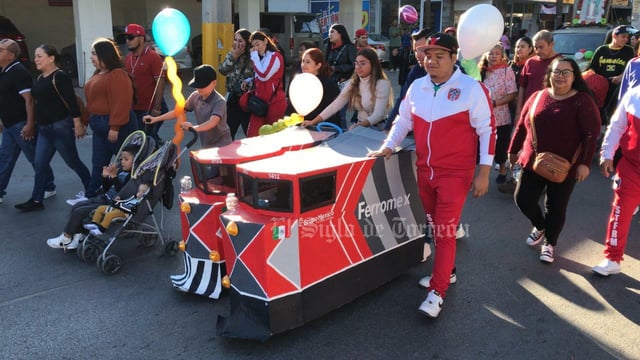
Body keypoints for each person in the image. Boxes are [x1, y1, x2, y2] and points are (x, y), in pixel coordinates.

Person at [369, 33, 495, 318]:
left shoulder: (471, 88)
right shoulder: (417, 87)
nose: (431, 61)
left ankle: (437, 291)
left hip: (456, 173)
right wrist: (388, 146)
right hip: (424, 170)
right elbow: (403, 120)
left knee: (444, 231)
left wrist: (484, 171)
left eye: (439, 56)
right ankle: (447, 272)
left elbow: (487, 129)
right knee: (433, 225)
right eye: (427, 55)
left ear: (454, 58)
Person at [508, 57, 600, 264]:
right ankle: (540, 226)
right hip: (533, 161)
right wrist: (513, 150)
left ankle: (550, 242)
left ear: (574, 76)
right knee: (523, 199)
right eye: (556, 72)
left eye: (566, 72)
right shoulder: (537, 97)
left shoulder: (582, 101)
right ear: (549, 75)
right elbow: (522, 125)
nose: (560, 76)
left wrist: (585, 163)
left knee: (556, 206)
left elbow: (590, 135)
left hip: (566, 166)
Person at [15, 45, 91, 212]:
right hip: (44, 129)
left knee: (72, 161)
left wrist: (78, 124)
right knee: (39, 163)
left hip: (60, 128)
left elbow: (71, 102)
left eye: (39, 56)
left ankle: (91, 190)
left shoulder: (60, 77)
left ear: (51, 58)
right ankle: (36, 200)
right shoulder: (41, 77)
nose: (36, 59)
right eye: (35, 56)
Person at [47, 144, 139, 250]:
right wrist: (105, 177)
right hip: (104, 197)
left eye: (126, 159)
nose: (122, 161)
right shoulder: (121, 171)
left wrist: (114, 177)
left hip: (112, 204)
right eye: (121, 158)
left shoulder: (132, 177)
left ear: (136, 161)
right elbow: (107, 188)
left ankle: (66, 237)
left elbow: (122, 192)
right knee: (77, 206)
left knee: (79, 212)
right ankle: (78, 236)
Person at [0, 38, 56, 206]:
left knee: (35, 157)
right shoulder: (4, 71)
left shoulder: (19, 72)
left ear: (10, 55)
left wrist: (30, 125)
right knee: (5, 158)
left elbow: (29, 100)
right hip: (10, 125)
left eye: (1, 50)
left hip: (22, 124)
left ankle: (48, 186)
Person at [592, 85, 640, 276]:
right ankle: (612, 258)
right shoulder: (635, 94)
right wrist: (607, 154)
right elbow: (617, 125)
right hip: (632, 167)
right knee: (620, 210)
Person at [84, 37, 138, 198]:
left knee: (126, 163)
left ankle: (132, 194)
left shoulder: (117, 74)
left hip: (115, 126)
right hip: (99, 125)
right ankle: (92, 195)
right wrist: (85, 120)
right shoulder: (98, 73)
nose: (91, 57)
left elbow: (122, 101)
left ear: (104, 55)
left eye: (94, 54)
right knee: (98, 163)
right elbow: (92, 101)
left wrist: (115, 127)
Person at [145, 65, 232, 149]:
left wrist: (193, 128)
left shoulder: (219, 101)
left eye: (203, 86)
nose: (199, 89)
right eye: (197, 86)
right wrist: (155, 119)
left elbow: (212, 122)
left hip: (222, 144)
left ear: (214, 83)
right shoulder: (195, 96)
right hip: (206, 143)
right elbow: (178, 111)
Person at [303, 48, 391, 130]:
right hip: (359, 128)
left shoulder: (382, 84)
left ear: (373, 65)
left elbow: (378, 114)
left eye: (363, 63)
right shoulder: (353, 83)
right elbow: (336, 104)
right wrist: (313, 122)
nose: (358, 67)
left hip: (378, 129)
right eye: (356, 63)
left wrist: (359, 126)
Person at [478, 43, 517, 184]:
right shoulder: (480, 70)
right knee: (479, 145)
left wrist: (494, 103)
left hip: (501, 116)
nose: (493, 56)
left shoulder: (507, 71)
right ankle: (477, 174)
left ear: (502, 56)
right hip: (481, 116)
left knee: (500, 146)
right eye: (490, 53)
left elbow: (512, 93)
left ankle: (502, 169)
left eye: (497, 53)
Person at [123, 24, 167, 142]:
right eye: (125, 38)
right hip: (134, 108)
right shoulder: (128, 58)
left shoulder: (153, 57)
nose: (127, 41)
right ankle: (155, 141)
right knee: (141, 139)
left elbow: (160, 82)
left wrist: (157, 108)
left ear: (141, 39)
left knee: (145, 139)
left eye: (130, 37)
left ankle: (155, 145)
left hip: (149, 108)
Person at [384, 27, 430, 131]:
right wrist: (388, 128)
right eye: (415, 50)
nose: (418, 55)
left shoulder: (462, 80)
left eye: (422, 50)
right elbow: (403, 100)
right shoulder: (416, 71)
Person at [243, 31, 287, 137]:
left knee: (273, 137)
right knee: (252, 135)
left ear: (265, 41)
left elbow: (264, 75)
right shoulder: (261, 58)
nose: (256, 48)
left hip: (274, 102)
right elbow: (260, 75)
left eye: (258, 44)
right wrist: (249, 80)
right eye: (253, 46)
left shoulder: (275, 56)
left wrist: (254, 56)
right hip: (260, 103)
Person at [588, 25, 635, 125]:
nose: (626, 40)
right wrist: (595, 78)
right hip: (601, 86)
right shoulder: (601, 50)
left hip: (617, 86)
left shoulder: (629, 50)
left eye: (627, 37)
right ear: (614, 36)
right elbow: (592, 68)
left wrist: (621, 76)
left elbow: (630, 67)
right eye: (623, 36)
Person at [514, 30, 561, 123]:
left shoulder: (561, 63)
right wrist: (518, 113)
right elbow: (522, 88)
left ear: (552, 44)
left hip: (551, 113)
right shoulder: (530, 62)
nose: (538, 51)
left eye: (541, 47)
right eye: (536, 47)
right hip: (529, 112)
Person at [286, 47, 340, 126]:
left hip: (320, 127)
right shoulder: (299, 81)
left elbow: (331, 109)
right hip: (299, 126)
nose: (304, 65)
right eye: (303, 61)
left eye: (308, 62)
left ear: (318, 65)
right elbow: (291, 105)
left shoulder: (328, 84)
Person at [218, 28, 254, 140]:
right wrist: (233, 57)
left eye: (241, 41)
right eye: (235, 40)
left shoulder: (253, 56)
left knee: (250, 133)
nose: (237, 44)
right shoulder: (232, 54)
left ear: (247, 42)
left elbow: (258, 76)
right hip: (233, 99)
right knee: (227, 133)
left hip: (246, 100)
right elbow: (222, 70)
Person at [84, 182, 150, 236]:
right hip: (118, 208)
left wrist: (128, 212)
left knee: (109, 215)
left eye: (143, 191)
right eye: (139, 190)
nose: (140, 192)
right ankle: (95, 223)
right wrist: (118, 200)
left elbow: (135, 210)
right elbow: (125, 201)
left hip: (124, 213)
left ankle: (101, 230)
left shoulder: (142, 202)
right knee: (100, 208)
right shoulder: (134, 198)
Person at [325, 24, 357, 127]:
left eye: (332, 32)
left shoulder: (349, 47)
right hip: (332, 84)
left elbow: (354, 65)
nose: (330, 34)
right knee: (331, 112)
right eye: (329, 32)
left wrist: (338, 68)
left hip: (344, 83)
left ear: (340, 34)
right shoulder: (330, 47)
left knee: (340, 112)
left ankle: (342, 134)